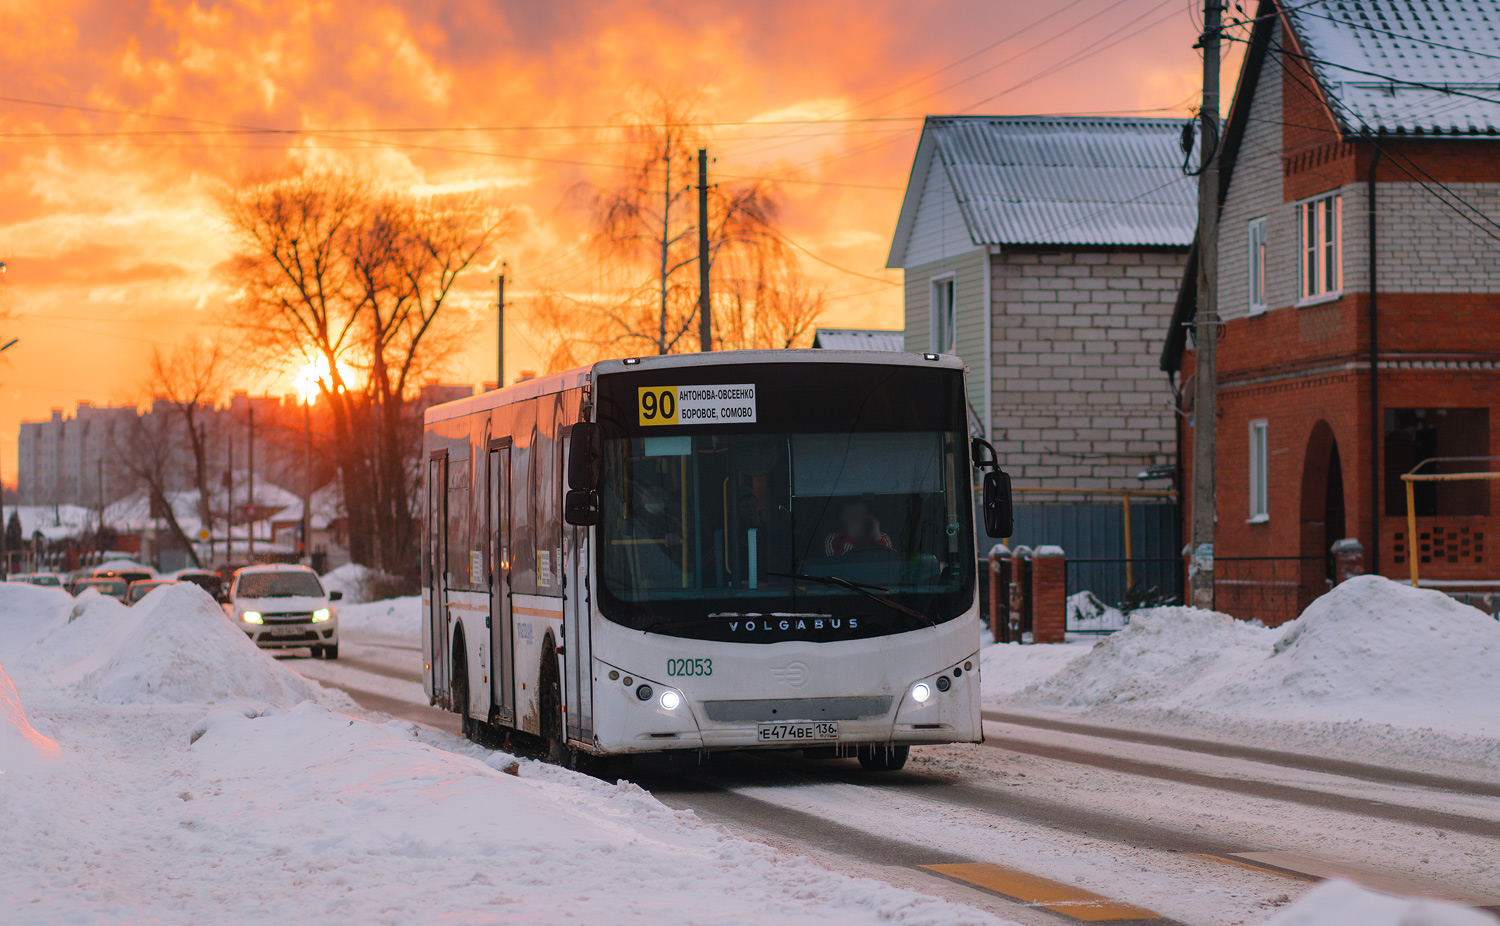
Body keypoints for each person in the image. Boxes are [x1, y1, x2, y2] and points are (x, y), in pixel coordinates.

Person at [823, 497, 893, 557]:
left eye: (859, 514)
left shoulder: (882, 537)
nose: (856, 519)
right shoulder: (833, 539)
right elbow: (838, 568)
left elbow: (886, 565)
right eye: (850, 515)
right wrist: (850, 538)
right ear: (842, 518)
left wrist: (877, 535)